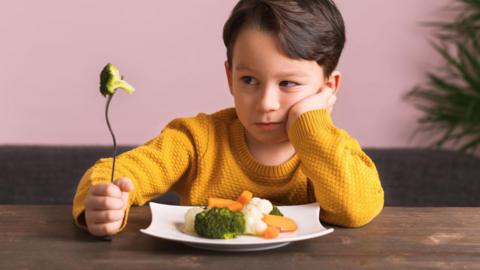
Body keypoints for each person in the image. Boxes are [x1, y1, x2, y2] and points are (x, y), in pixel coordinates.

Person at [73, 0, 384, 237]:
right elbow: (120, 171)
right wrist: (103, 201)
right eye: (249, 80)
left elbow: (356, 210)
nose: (266, 103)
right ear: (230, 77)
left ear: (327, 88)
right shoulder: (197, 139)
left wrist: (311, 126)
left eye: (288, 83)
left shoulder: (331, 150)